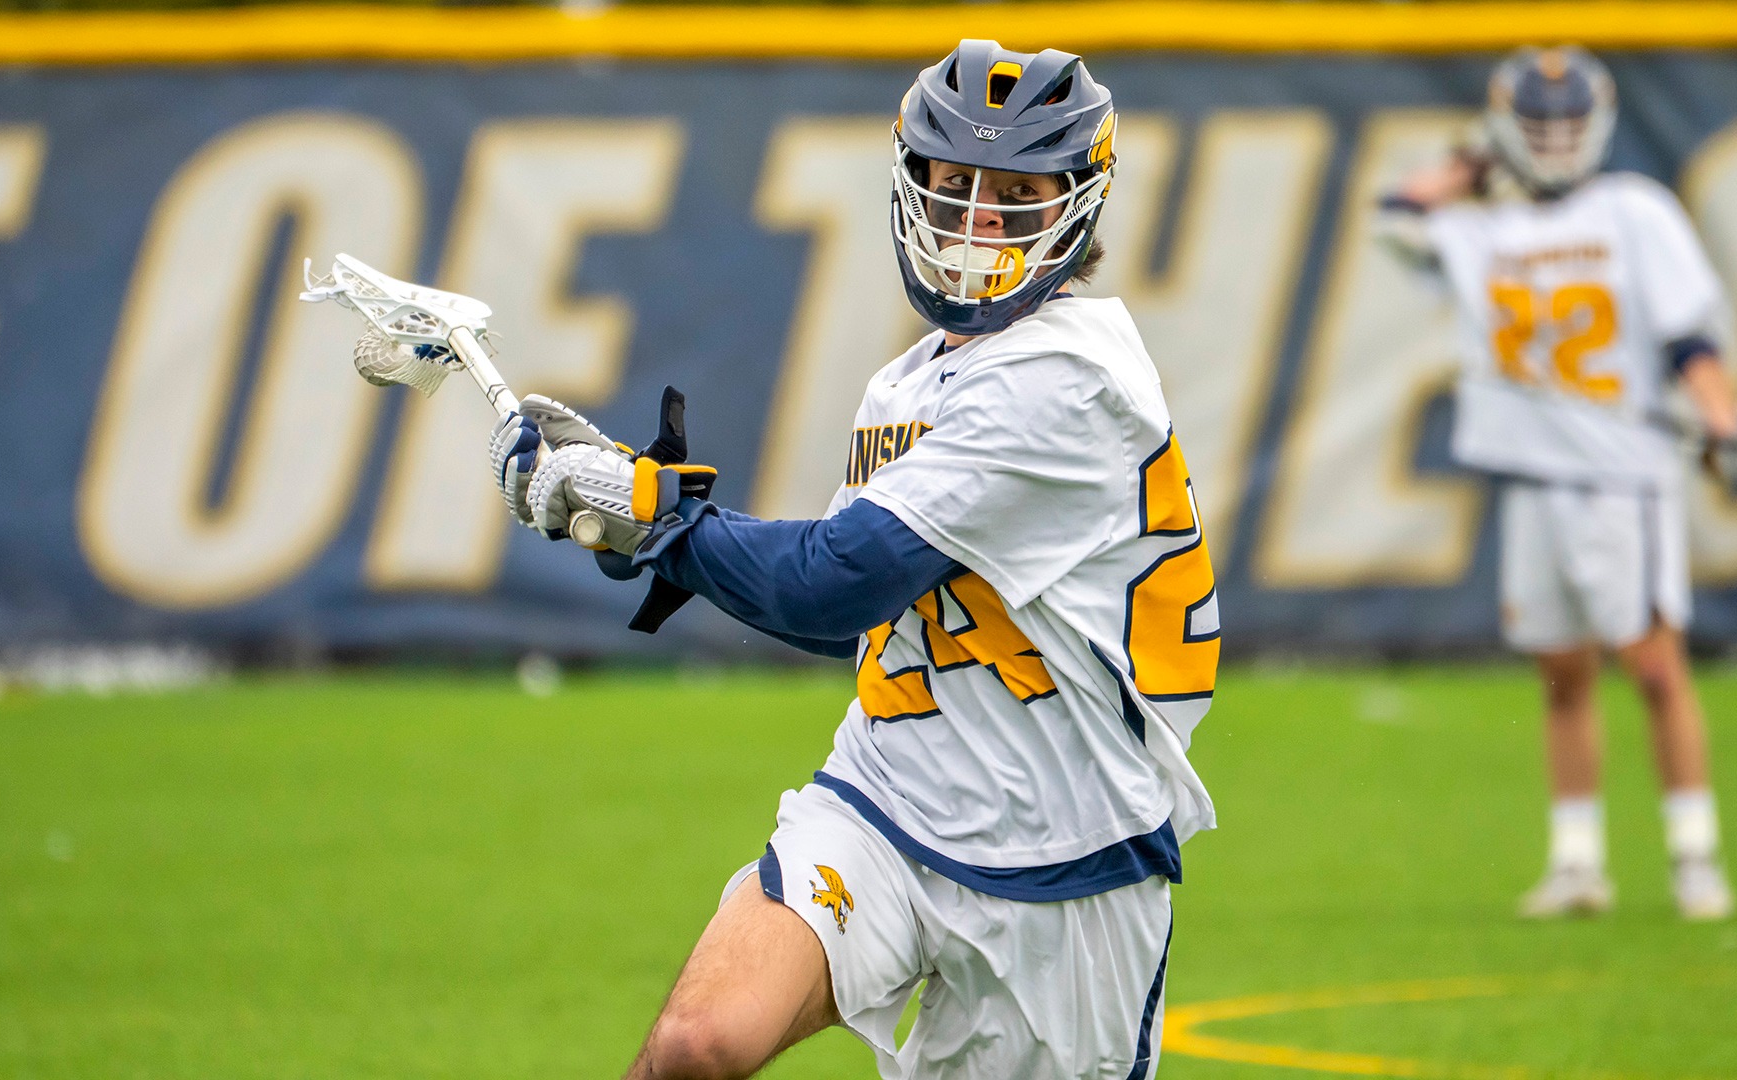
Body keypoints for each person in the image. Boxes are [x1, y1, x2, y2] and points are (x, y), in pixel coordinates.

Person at [488, 40, 1219, 1079]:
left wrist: (661, 523)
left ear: (1078, 203)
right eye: (953, 184)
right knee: (696, 1046)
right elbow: (857, 624)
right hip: (886, 797)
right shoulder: (910, 384)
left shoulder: (1066, 378)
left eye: (1015, 192)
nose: (974, 219)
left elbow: (833, 585)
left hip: (1065, 856)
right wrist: (624, 521)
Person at [1376, 47, 1737, 921]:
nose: (1558, 144)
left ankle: (1695, 855)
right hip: (1532, 476)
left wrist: (1721, 417)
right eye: (1537, 128)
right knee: (1562, 672)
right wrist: (1472, 164)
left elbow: (1691, 343)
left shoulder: (1635, 211)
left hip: (1620, 476)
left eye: (1571, 126)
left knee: (1652, 663)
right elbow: (1394, 217)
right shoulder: (1479, 227)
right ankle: (1577, 862)